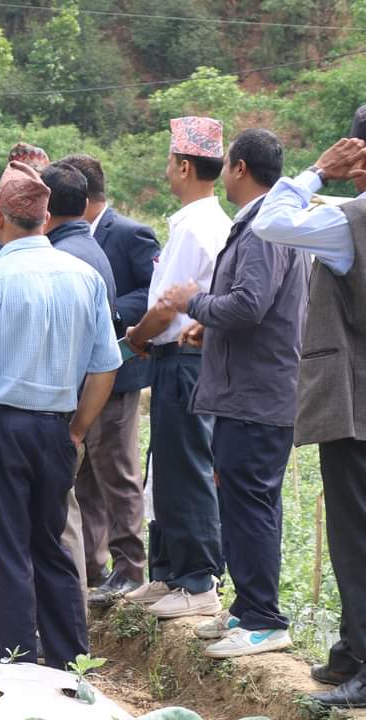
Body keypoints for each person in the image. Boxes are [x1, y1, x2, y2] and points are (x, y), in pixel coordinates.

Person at [0, 160, 120, 669]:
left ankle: (16, 667)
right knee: (52, 549)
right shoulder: (84, 276)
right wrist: (78, 430)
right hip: (56, 430)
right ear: (45, 218)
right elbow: (106, 367)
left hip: (0, 431)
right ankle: (70, 666)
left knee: (3, 553)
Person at [159, 128, 306, 659]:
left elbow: (247, 306)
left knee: (252, 505)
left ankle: (265, 618)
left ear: (239, 168)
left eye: (227, 164)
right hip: (245, 390)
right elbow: (248, 308)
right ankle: (246, 610)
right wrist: (207, 322)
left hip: (257, 394)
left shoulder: (265, 229)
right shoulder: (257, 224)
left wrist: (195, 302)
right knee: (242, 503)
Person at [251, 123, 366, 707]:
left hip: (356, 402)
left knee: (355, 534)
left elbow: (269, 220)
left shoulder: (348, 223)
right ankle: (350, 648)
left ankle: (364, 665)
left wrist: (318, 171)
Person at [0, 161, 117, 586]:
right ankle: (59, 625)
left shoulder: (63, 261)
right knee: (55, 525)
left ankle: (38, 620)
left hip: (39, 416)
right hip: (61, 417)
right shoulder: (85, 256)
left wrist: (76, 429)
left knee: (48, 533)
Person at [124, 116, 231, 619]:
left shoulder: (197, 227)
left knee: (186, 464)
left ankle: (198, 580)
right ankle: (166, 572)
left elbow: (169, 305)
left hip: (184, 358)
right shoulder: (201, 223)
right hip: (176, 355)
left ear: (184, 166)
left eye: (170, 161)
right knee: (164, 464)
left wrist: (137, 334)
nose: (168, 170)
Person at [60, 153, 160, 605]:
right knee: (85, 475)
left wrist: (108, 310)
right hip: (81, 375)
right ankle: (92, 564)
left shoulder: (129, 232)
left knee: (116, 470)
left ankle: (130, 567)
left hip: (118, 372)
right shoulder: (69, 236)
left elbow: (152, 292)